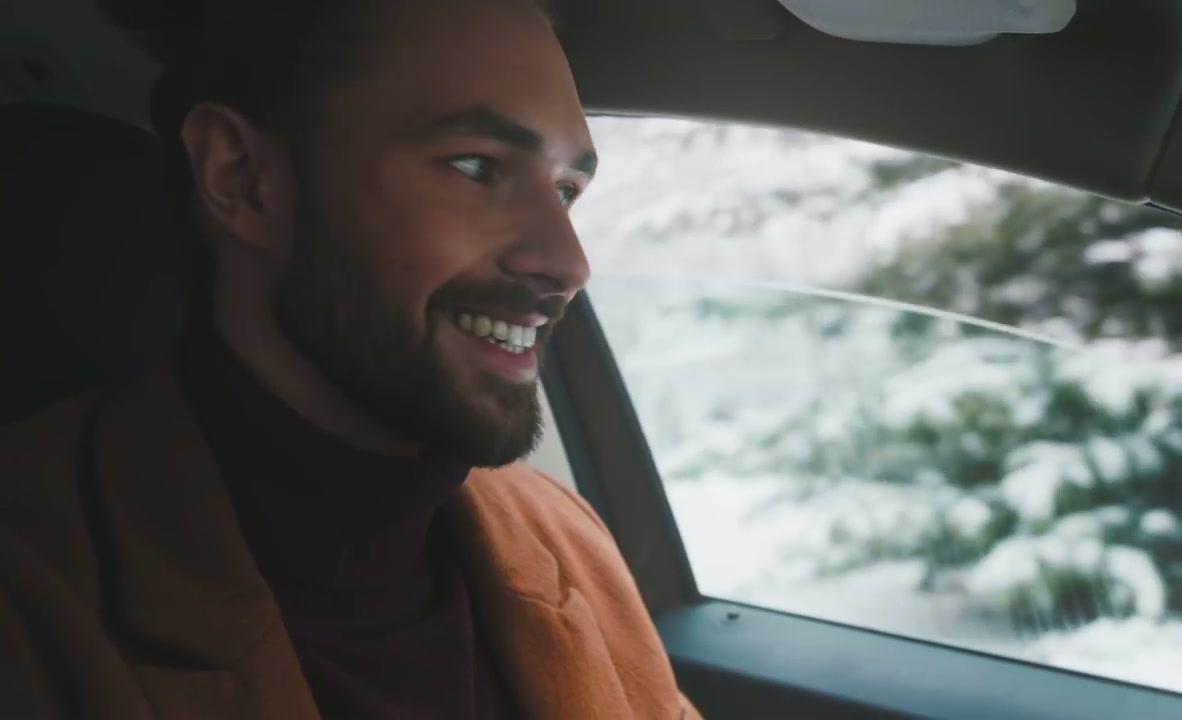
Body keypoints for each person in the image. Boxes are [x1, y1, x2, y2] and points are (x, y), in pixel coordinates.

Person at [0, 0, 701, 717]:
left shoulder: (567, 537)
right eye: (475, 166)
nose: (568, 263)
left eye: (565, 190)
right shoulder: (29, 600)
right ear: (243, 178)